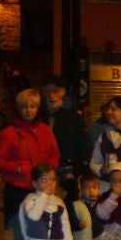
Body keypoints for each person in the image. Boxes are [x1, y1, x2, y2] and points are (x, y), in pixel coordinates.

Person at [0, 88, 60, 240]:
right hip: (17, 190)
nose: (29, 110)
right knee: (19, 233)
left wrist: (47, 171)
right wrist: (19, 168)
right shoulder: (9, 133)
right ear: (18, 108)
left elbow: (55, 154)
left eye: (33, 106)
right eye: (24, 106)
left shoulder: (45, 130)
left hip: (42, 190)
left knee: (43, 232)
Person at [40, 74, 91, 202]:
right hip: (42, 173)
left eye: (55, 91)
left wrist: (76, 171)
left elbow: (84, 146)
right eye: (47, 91)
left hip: (66, 174)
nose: (51, 95)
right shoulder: (38, 116)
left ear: (62, 92)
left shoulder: (74, 117)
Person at [89, 96, 121, 184]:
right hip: (107, 186)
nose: (108, 112)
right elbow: (94, 163)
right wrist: (101, 169)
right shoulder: (104, 135)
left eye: (113, 109)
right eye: (108, 109)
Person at [69, 172, 102, 240]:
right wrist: (78, 225)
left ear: (99, 189)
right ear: (82, 190)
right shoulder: (78, 205)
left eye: (94, 187)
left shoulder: (101, 203)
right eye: (87, 188)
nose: (91, 191)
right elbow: (70, 222)